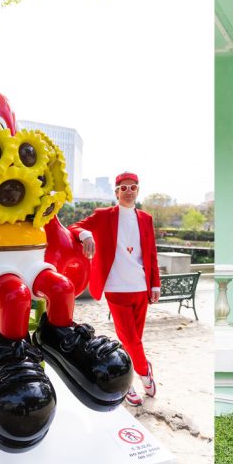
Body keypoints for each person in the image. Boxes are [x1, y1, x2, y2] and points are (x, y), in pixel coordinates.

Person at [70, 172, 160, 406]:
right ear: (117, 192)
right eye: (124, 188)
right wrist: (87, 234)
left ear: (138, 191)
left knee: (134, 340)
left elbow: (151, 253)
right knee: (128, 337)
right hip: (115, 287)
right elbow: (74, 227)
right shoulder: (104, 216)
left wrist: (155, 283)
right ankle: (142, 374)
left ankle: (128, 378)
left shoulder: (146, 218)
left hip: (140, 286)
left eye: (133, 187)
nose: (128, 191)